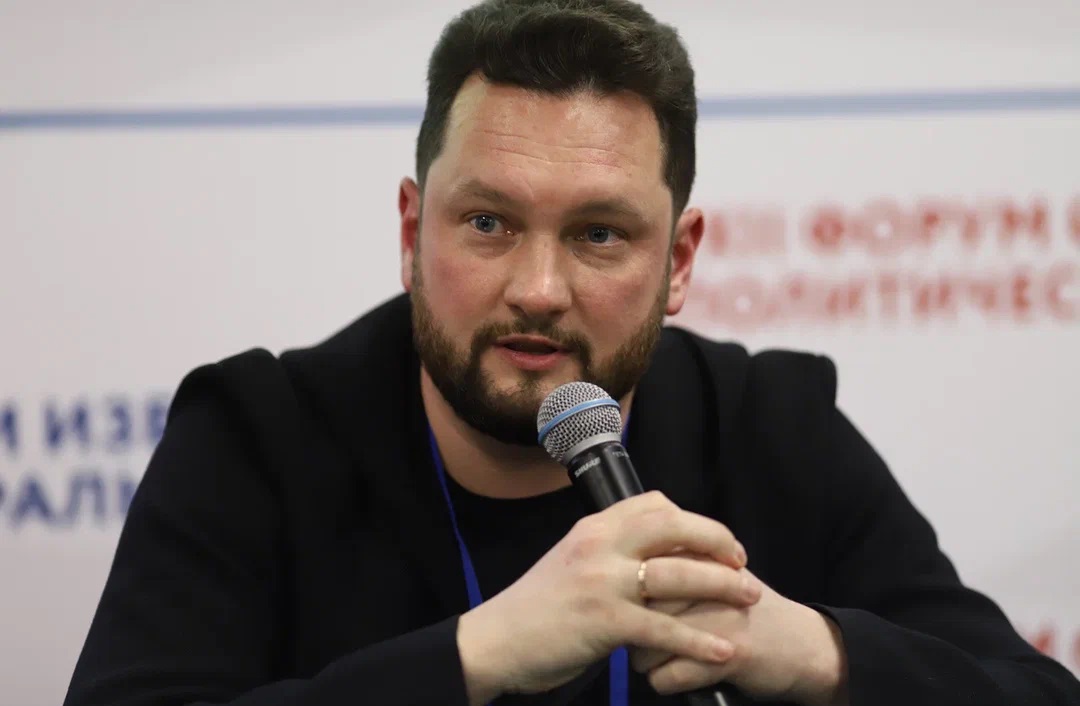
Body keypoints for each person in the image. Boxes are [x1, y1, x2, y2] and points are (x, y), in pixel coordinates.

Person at [63, 1, 1080, 705]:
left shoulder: (771, 423)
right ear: (412, 232)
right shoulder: (256, 436)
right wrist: (477, 655)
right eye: (489, 223)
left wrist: (816, 652)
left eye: (599, 234)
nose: (539, 289)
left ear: (679, 260)